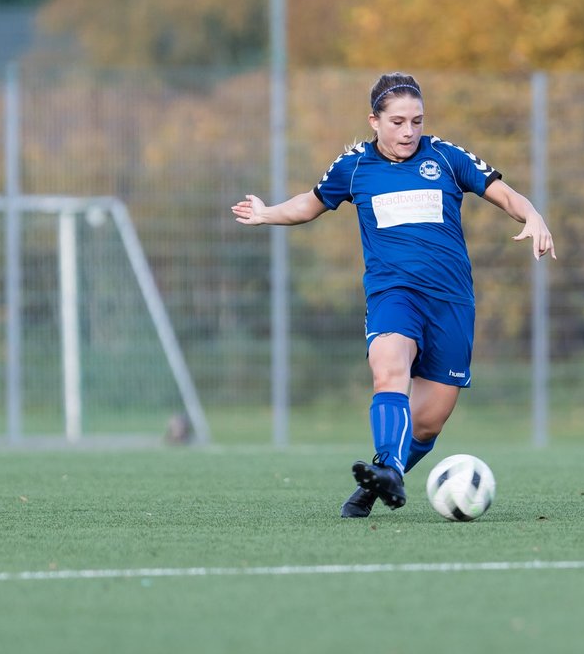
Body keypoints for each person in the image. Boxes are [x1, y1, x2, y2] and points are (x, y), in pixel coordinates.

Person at [231, 72, 556, 517]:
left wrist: (532, 215)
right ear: (374, 121)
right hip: (393, 293)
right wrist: (267, 214)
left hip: (451, 302)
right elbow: (311, 202)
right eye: (398, 121)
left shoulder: (445, 157)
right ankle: (387, 467)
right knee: (389, 370)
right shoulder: (354, 166)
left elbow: (503, 193)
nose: (409, 131)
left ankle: (379, 482)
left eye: (417, 121)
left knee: (429, 420)